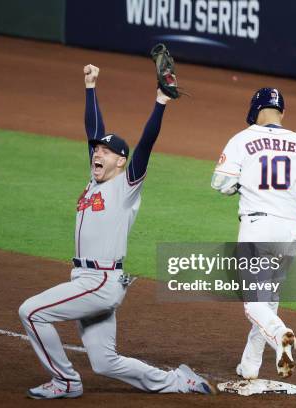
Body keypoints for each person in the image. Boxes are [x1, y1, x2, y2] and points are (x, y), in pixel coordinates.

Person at [18, 64, 216, 399]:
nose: (98, 152)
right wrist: (90, 86)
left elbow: (146, 144)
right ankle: (179, 381)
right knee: (105, 362)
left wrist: (160, 102)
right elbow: (93, 129)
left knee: (31, 312)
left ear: (121, 161)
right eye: (96, 150)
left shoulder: (125, 186)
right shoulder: (93, 181)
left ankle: (66, 382)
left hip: (99, 283)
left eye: (107, 151)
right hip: (85, 278)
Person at [211, 88, 296, 380]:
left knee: (253, 302)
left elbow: (220, 183)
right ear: (282, 114)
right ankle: (250, 366)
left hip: (258, 229)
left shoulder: (242, 139)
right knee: (268, 301)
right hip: (291, 231)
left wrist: (240, 185)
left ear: (254, 111)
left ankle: (280, 334)